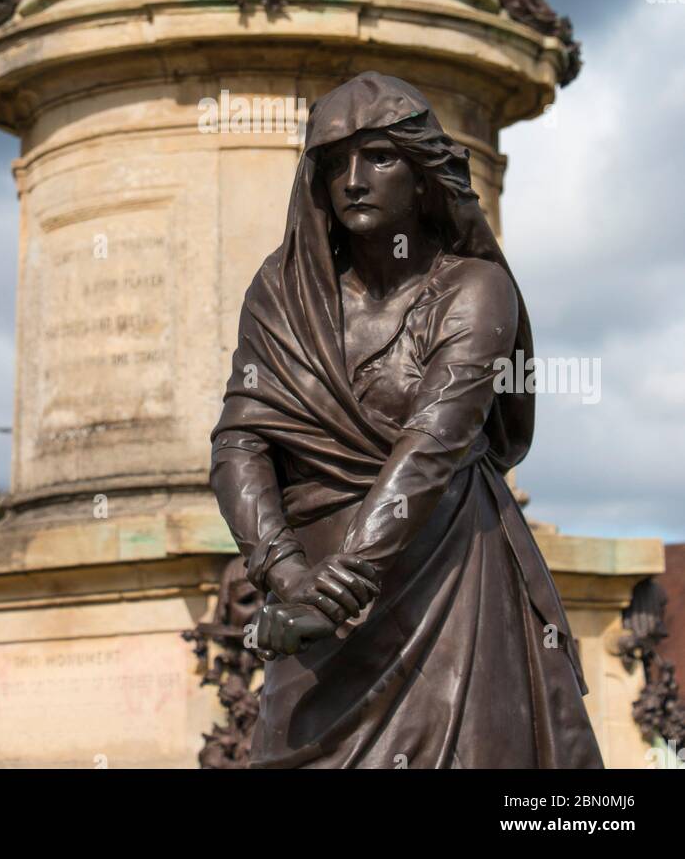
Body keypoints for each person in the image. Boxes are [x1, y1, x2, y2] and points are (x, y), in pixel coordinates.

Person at [210, 71, 604, 769]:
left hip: (447, 575)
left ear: (424, 177)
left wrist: (337, 588)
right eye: (336, 162)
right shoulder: (282, 296)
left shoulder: (476, 290)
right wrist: (286, 572)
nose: (354, 180)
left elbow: (434, 442)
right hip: (312, 595)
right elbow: (242, 439)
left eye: (381, 157)